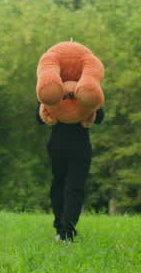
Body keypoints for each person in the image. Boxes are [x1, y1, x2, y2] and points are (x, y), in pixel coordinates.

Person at [38, 100, 104, 242]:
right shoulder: (85, 90)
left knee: (59, 185)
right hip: (80, 144)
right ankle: (66, 232)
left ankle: (61, 230)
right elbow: (100, 117)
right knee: (74, 188)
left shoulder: (53, 88)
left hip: (57, 144)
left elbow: (39, 117)